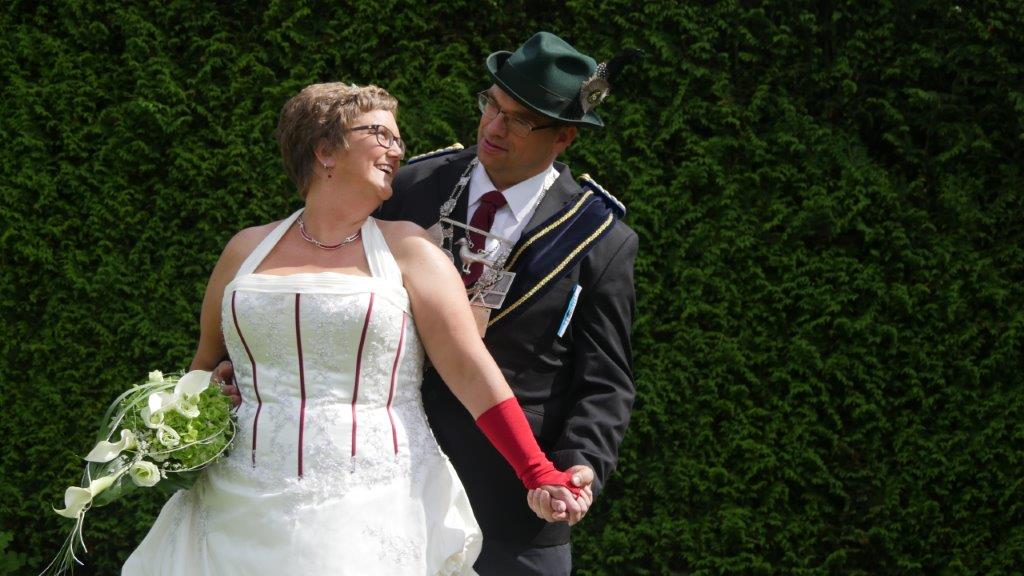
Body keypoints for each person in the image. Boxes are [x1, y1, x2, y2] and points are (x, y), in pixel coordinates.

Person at [122, 82, 584, 575]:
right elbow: (202, 368)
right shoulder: (244, 250)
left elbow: (471, 371)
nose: (397, 150)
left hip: (368, 504)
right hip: (230, 508)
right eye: (381, 134)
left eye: (398, 139)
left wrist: (537, 470)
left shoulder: (411, 251)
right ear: (325, 149)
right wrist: (205, 403)